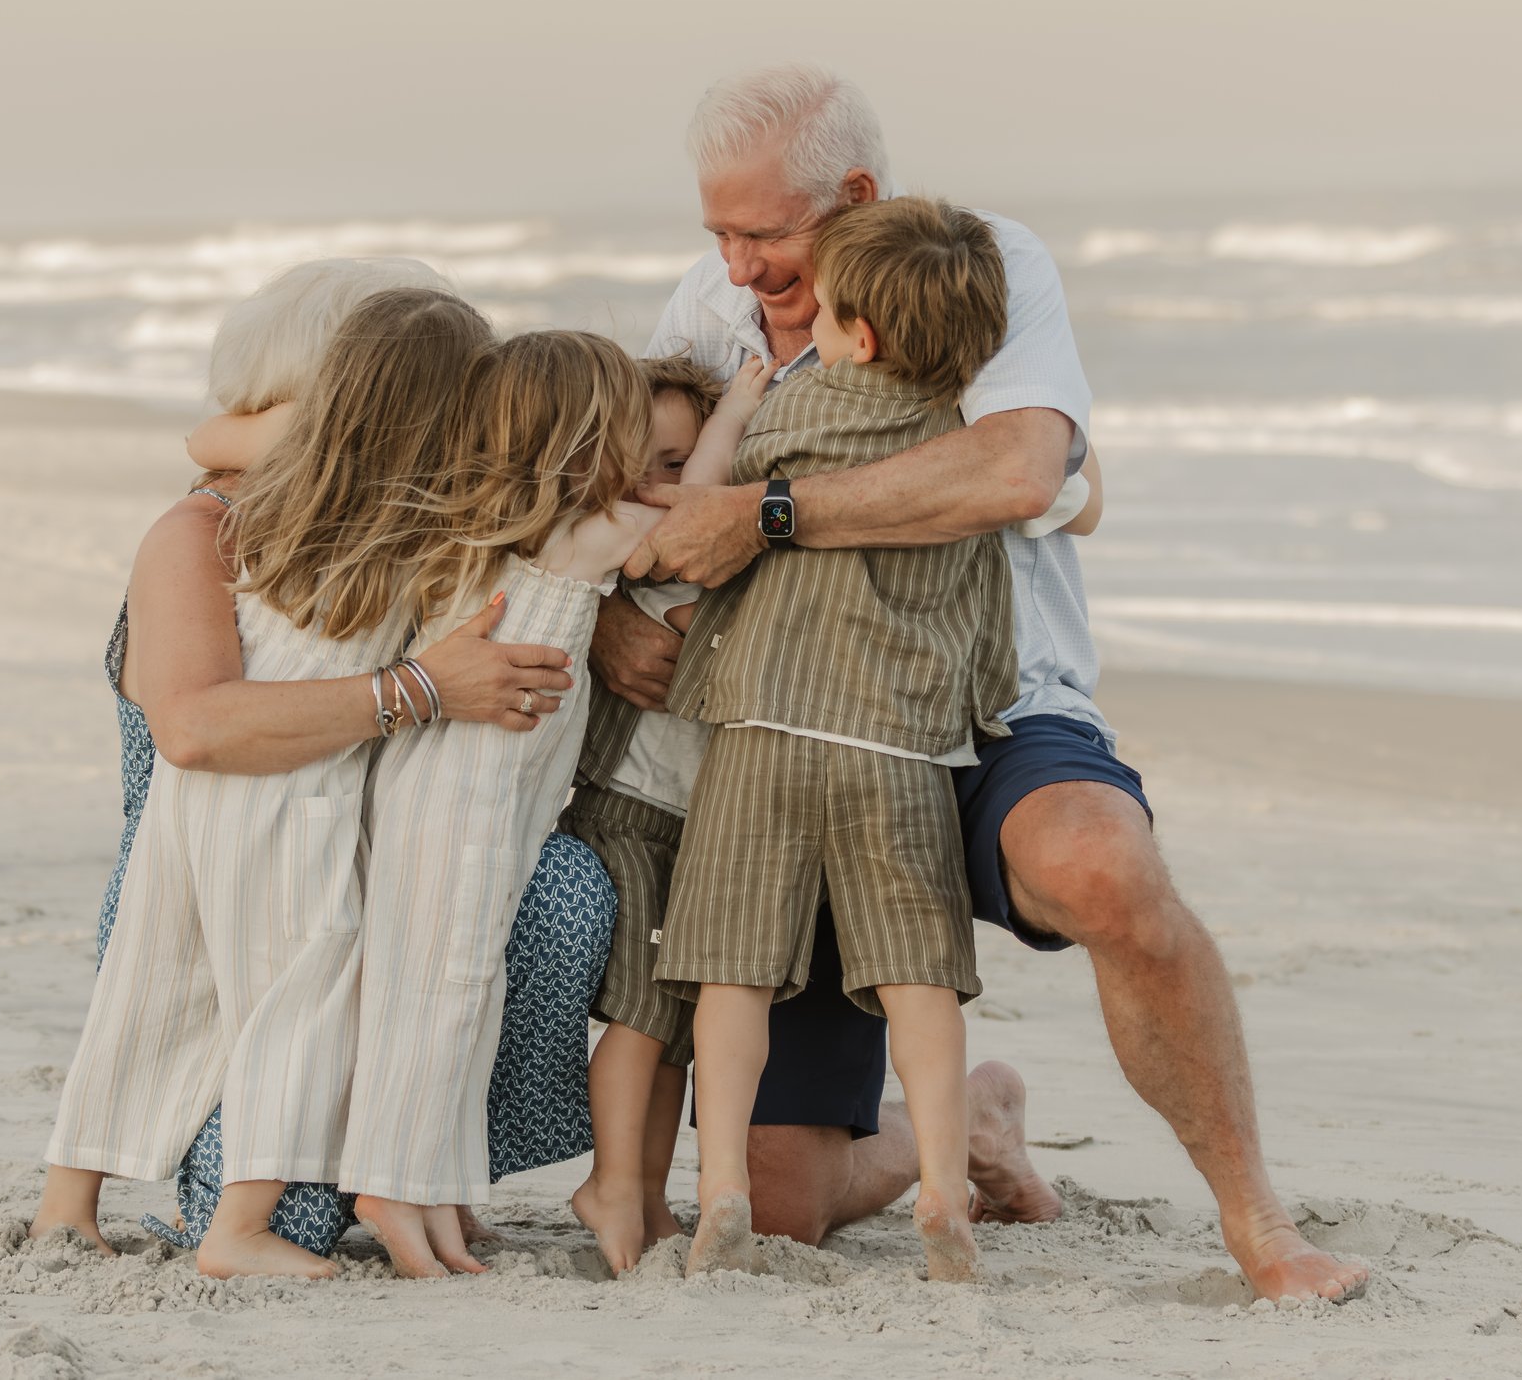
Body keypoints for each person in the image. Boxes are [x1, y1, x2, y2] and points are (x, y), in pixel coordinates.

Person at [610, 65, 1369, 1305]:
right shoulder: (711, 301)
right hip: (791, 726)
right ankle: (967, 1124)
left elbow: (1020, 467)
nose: (736, 267)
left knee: (1098, 866)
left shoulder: (977, 262)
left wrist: (769, 514)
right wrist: (606, 633)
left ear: (854, 194)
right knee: (785, 1204)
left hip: (993, 703)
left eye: (764, 235)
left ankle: (1262, 1228)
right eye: (718, 232)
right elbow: (641, 477)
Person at [33, 286, 594, 1279]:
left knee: (146, 992)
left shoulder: (305, 508)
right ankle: (240, 1225)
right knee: (311, 997)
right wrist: (422, 685)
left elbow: (232, 428)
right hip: (282, 809)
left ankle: (65, 1205)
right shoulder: (239, 528)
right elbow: (196, 725)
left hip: (195, 827)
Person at [659, 197, 1016, 1284]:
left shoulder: (784, 431)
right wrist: (978, 708)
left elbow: (695, 513)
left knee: (732, 972)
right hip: (898, 751)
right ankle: (947, 1187)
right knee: (918, 981)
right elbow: (991, 623)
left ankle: (721, 1183)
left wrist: (734, 414)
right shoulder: (956, 458)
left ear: (852, 332)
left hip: (763, 730)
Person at [336, 331, 663, 1276]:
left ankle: (433, 1189)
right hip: (471, 812)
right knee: (445, 997)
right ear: (591, 439)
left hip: (426, 797)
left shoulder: (460, 536)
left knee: (444, 996)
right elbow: (696, 506)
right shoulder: (587, 536)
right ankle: (392, 1188)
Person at [556, 352, 766, 1274]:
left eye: (682, 463)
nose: (662, 485)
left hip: (695, 823)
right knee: (640, 1016)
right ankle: (609, 1180)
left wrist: (741, 418)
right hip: (626, 811)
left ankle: (647, 1190)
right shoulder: (619, 547)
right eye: (641, 464)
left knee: (676, 1023)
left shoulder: (715, 555)